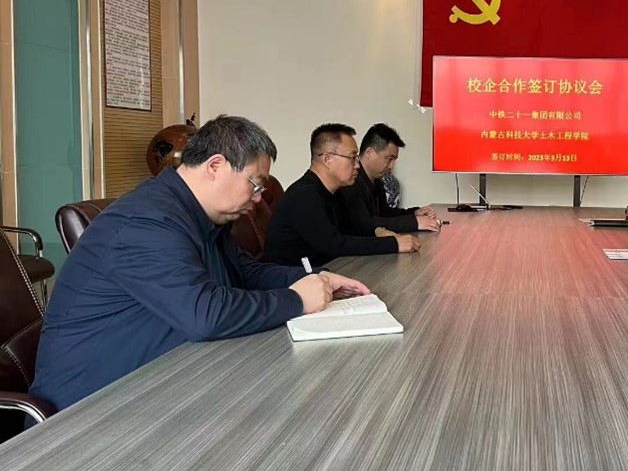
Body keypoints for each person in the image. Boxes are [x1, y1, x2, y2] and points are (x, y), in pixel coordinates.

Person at [30, 115, 369, 414]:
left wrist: (317, 278)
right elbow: (204, 315)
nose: (257, 199)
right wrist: (296, 300)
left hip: (163, 380)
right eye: (255, 185)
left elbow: (247, 272)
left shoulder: (199, 215)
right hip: (90, 409)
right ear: (215, 166)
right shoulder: (148, 221)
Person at [262, 123, 420, 267]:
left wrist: (377, 231)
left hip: (324, 271)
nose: (357, 165)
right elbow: (335, 245)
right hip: (291, 280)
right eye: (352, 158)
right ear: (327, 159)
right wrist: (393, 244)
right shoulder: (303, 195)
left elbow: (353, 226)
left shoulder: (335, 192)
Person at [340, 123, 441, 234]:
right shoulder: (350, 181)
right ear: (369, 153)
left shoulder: (377, 181)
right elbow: (365, 224)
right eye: (389, 159)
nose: (391, 166)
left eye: (394, 160)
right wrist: (414, 223)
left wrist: (414, 213)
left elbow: (385, 214)